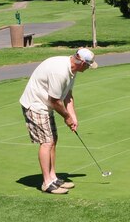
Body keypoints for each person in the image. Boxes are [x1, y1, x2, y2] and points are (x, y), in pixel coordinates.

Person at [19, 48, 98, 194]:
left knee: (53, 139)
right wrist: (67, 117)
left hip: (45, 104)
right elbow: (54, 101)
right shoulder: (60, 72)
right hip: (35, 104)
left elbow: (67, 94)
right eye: (88, 65)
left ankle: (53, 178)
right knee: (47, 142)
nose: (88, 68)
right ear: (81, 62)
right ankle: (47, 183)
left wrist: (73, 116)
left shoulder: (71, 70)